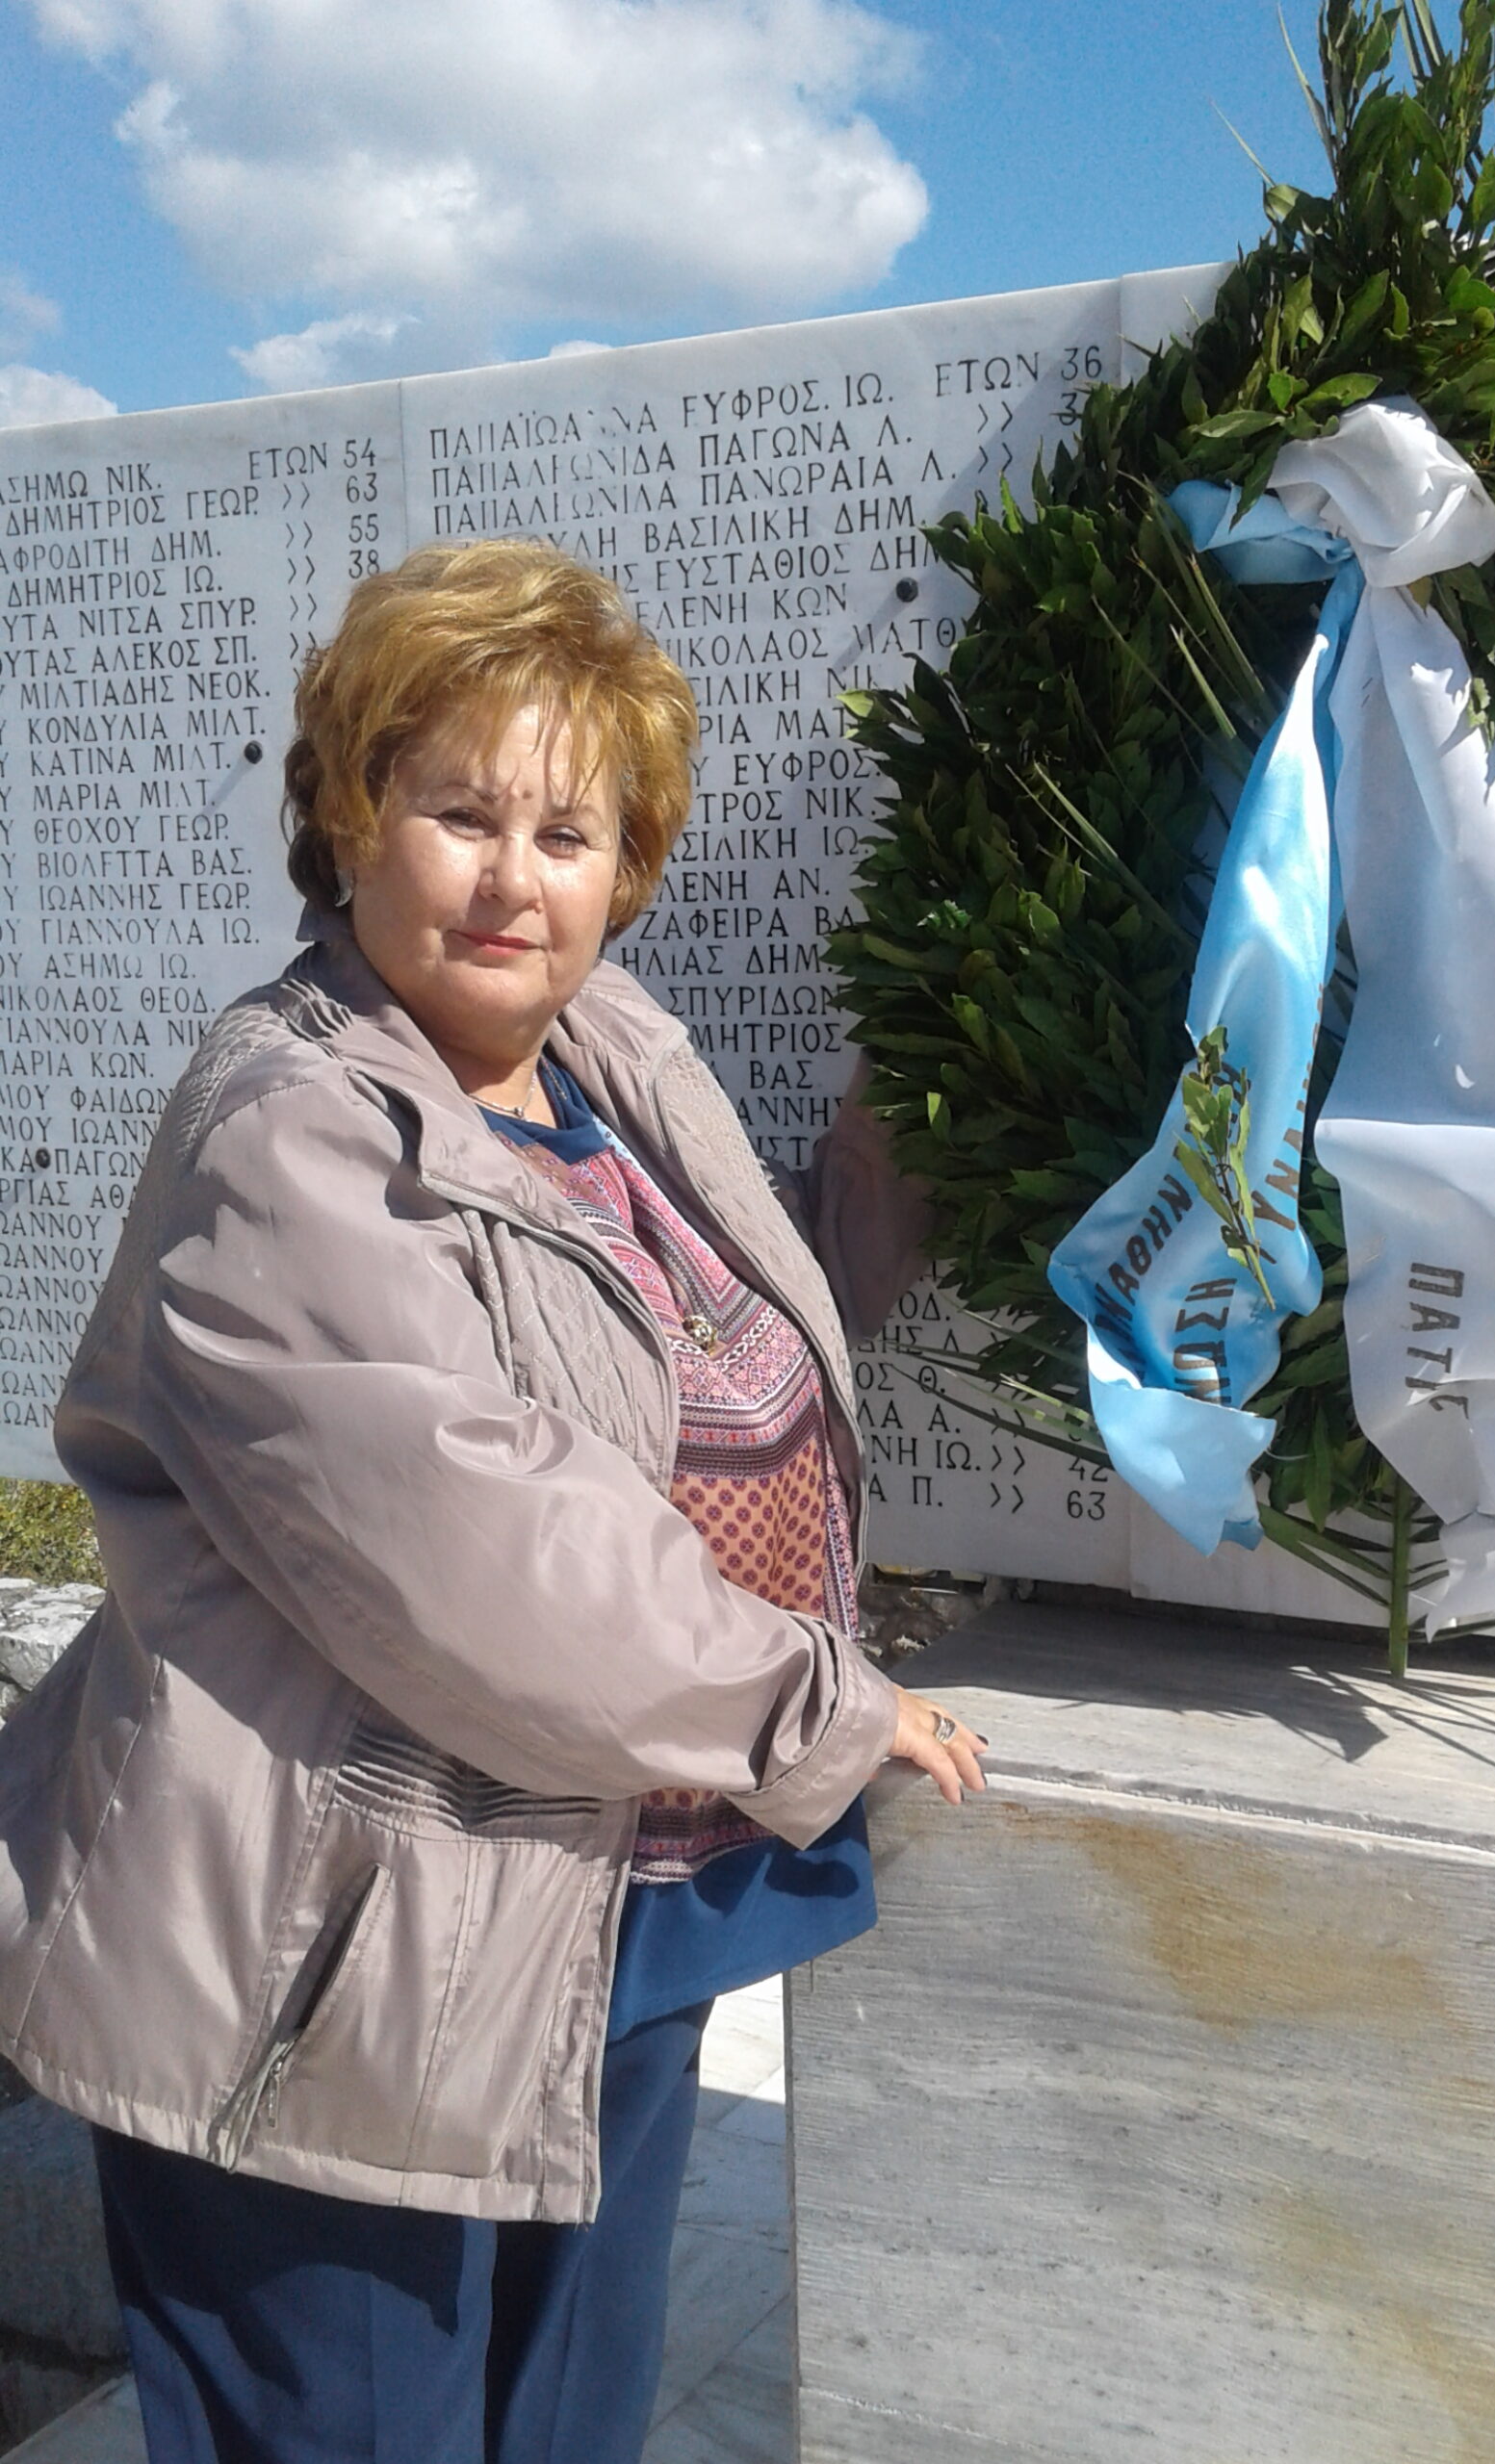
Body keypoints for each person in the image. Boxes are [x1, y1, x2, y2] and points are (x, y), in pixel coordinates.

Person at [0, 538, 986, 2464]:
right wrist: (818, 1708)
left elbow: (718, 1336)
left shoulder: (601, 1061)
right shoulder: (292, 1132)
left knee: (568, 2431)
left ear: (630, 863)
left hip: (616, 1902)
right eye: (460, 813)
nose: (515, 877)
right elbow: (485, 1554)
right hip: (341, 1957)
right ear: (347, 819)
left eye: (569, 831)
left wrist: (950, 1104)